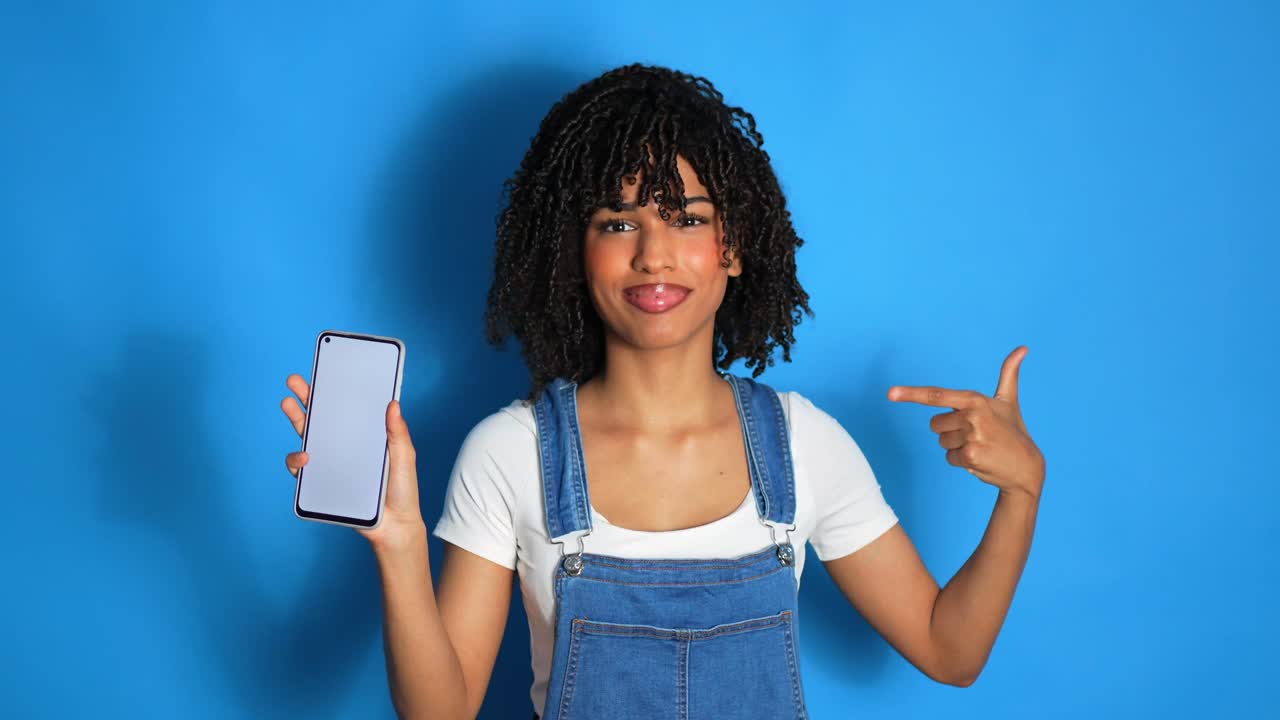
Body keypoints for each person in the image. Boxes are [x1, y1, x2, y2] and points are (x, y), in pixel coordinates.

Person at [281, 63, 1046, 720]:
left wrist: (1022, 492)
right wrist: (400, 546)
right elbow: (441, 711)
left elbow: (952, 650)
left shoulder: (805, 445)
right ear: (574, 254)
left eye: (687, 219)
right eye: (618, 222)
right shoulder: (509, 452)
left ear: (734, 249)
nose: (654, 256)